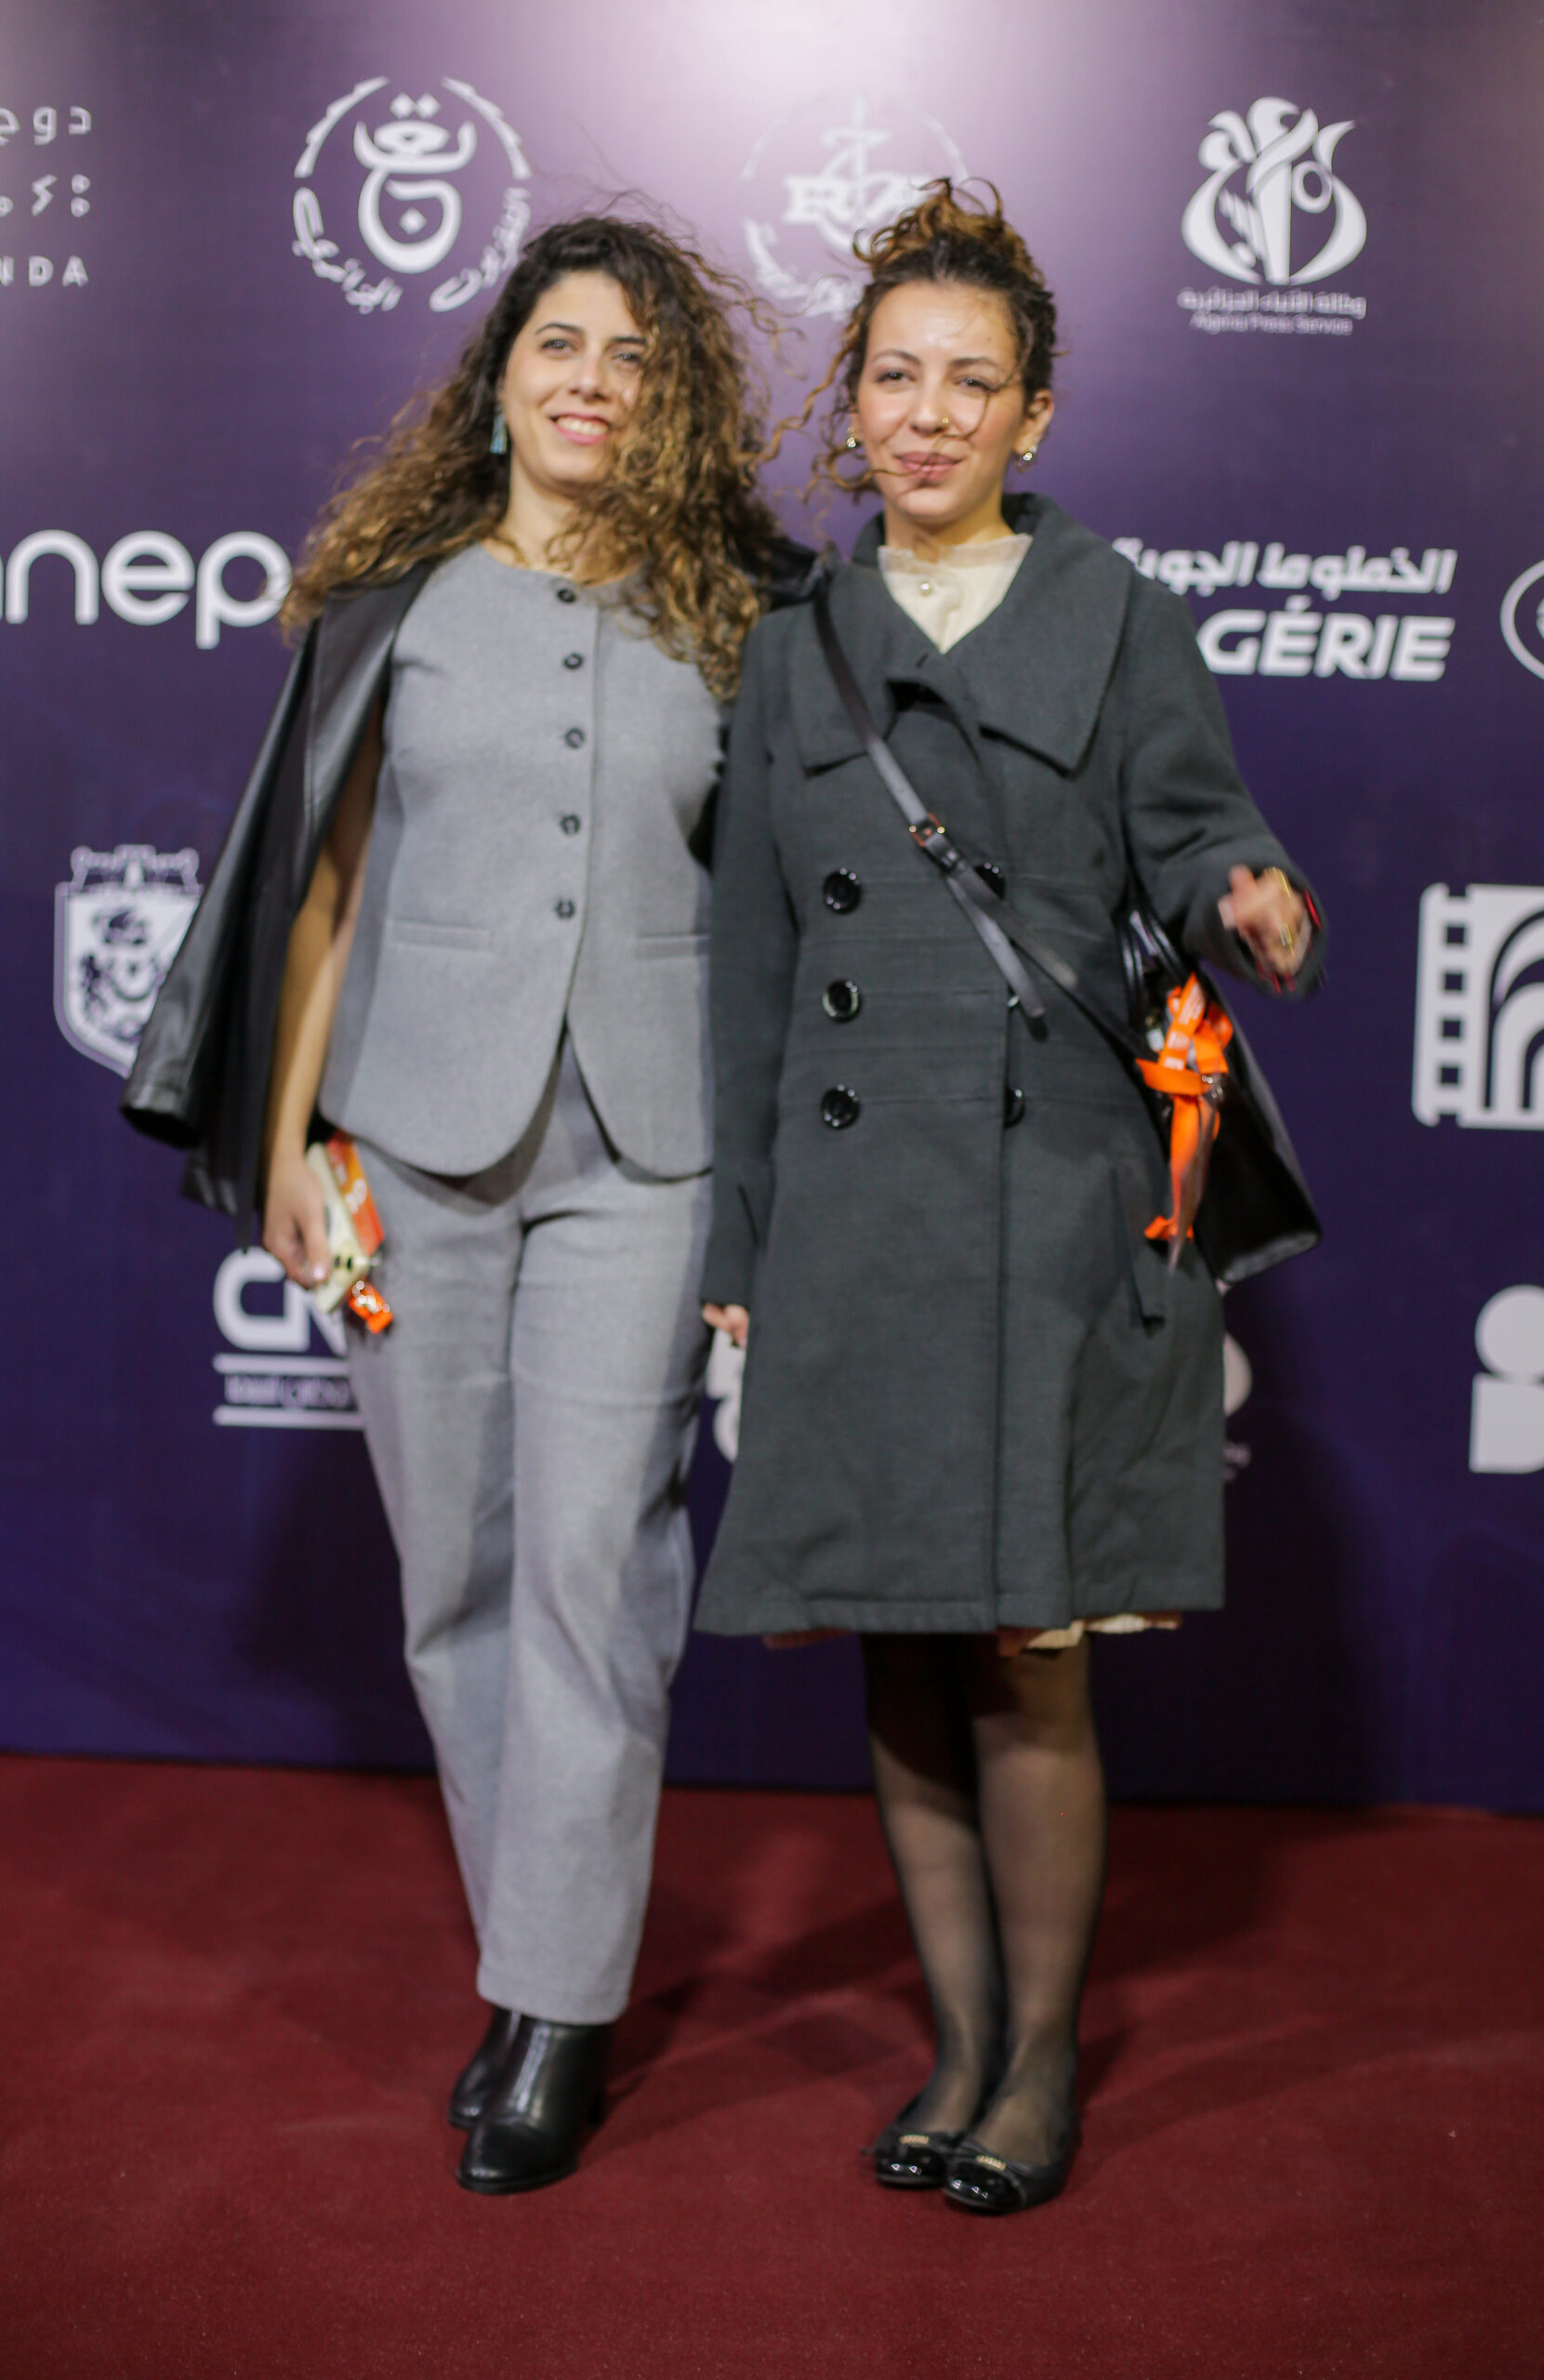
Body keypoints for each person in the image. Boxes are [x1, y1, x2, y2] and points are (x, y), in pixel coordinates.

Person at [125, 214, 796, 2195]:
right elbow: (317, 890)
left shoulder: (742, 616)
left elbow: (784, 910)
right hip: (409, 1149)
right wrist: (283, 1153)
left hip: (645, 1159)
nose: (592, 379)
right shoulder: (390, 605)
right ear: (498, 376)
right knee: (456, 1583)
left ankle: (557, 2009)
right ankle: (532, 1961)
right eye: (559, 343)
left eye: (633, 357)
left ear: (669, 403)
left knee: (597, 1571)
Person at [697, 184, 1325, 2216]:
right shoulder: (791, 648)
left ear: (1033, 415)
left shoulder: (1120, 614)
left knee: (1026, 1649)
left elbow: (1196, 828)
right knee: (898, 1641)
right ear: (852, 402)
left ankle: (1040, 2064)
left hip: (1052, 1200)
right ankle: (957, 2046)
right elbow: (752, 973)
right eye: (894, 376)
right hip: (853, 1215)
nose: (929, 414)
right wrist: (738, 1242)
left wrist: (1247, 897)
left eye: (973, 383)